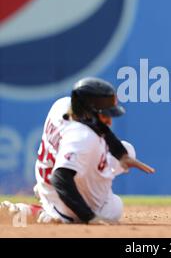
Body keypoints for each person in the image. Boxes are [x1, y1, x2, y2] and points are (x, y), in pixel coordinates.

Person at [0, 77, 155, 224]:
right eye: (104, 114)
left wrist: (121, 154)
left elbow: (100, 127)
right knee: (114, 208)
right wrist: (89, 216)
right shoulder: (82, 137)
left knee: (127, 150)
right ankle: (43, 211)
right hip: (59, 187)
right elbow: (60, 178)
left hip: (49, 171)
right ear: (88, 113)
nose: (109, 120)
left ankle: (47, 197)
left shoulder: (62, 105)